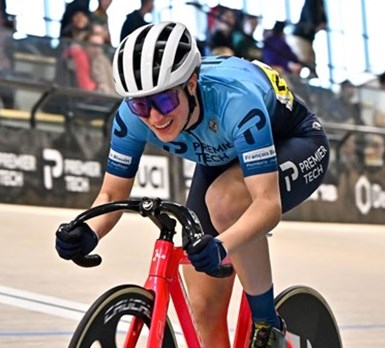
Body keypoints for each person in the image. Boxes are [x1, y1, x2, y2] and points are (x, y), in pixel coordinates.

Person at [54, 21, 330, 348]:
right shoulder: (131, 116)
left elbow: (266, 205)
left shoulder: (235, 102)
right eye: (142, 105)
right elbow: (113, 193)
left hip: (293, 141)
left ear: (192, 83)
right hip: (220, 156)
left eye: (165, 102)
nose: (155, 117)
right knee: (203, 307)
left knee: (226, 204)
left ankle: (268, 324)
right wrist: (89, 231)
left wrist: (223, 245)